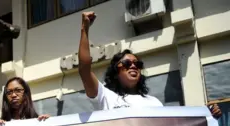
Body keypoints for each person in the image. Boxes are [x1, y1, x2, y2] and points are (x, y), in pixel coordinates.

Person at [78, 11, 223, 118]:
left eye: (137, 64)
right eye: (127, 63)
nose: (134, 66)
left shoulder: (153, 102)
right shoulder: (105, 97)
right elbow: (84, 70)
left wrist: (206, 115)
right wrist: (85, 30)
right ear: (116, 71)